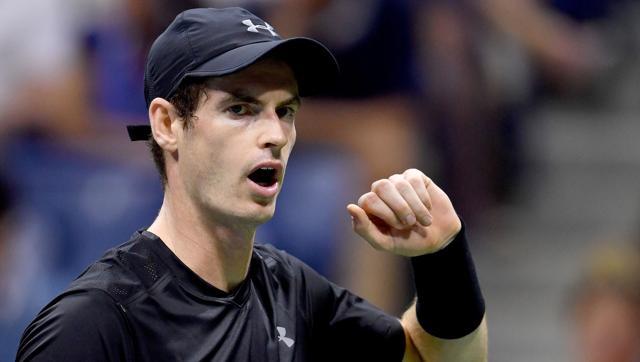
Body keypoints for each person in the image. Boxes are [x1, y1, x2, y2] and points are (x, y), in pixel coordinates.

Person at [16, 7, 487, 361]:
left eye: (285, 110)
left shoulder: (292, 292)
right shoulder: (92, 326)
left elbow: (430, 356)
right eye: (239, 109)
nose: (275, 134)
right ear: (166, 124)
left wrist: (442, 255)